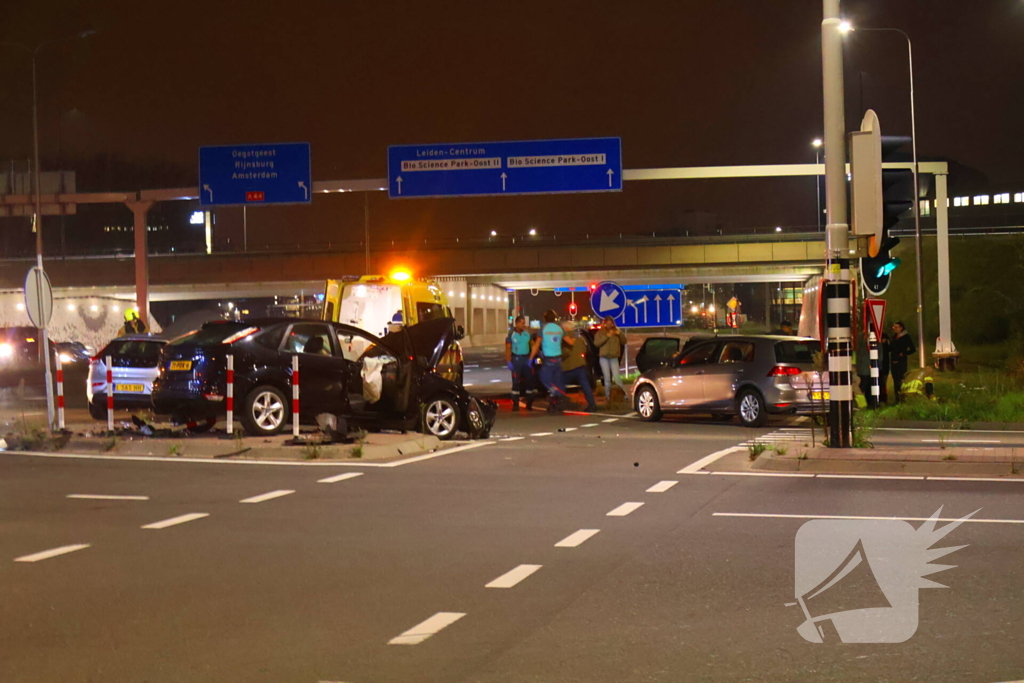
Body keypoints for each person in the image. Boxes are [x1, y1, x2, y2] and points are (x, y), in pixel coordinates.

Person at [530, 309, 567, 413]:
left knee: (545, 379)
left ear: (545, 319)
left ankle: (556, 393)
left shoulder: (543, 329)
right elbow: (569, 341)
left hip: (548, 360)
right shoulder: (560, 328)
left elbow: (537, 345)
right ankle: (555, 405)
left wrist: (530, 358)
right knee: (556, 381)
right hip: (558, 360)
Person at [560, 322, 598, 412]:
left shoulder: (563, 339)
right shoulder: (579, 337)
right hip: (581, 365)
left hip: (568, 367)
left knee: (559, 385)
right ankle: (592, 405)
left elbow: (563, 353)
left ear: (565, 328)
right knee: (585, 386)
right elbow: (584, 349)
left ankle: (559, 404)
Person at [505, 316, 536, 411]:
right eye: (522, 323)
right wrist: (509, 361)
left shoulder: (527, 334)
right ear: (517, 323)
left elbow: (533, 346)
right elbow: (508, 349)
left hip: (526, 359)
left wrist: (533, 357)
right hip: (516, 360)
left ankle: (529, 403)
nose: (524, 325)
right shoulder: (511, 335)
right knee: (516, 382)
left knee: (529, 382)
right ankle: (515, 403)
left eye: (524, 323)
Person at [594, 316, 627, 400]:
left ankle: (624, 395)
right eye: (607, 323)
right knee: (607, 378)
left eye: (610, 323)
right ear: (604, 323)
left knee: (617, 378)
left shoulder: (617, 332)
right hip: (604, 358)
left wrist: (619, 334)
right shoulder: (600, 332)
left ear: (613, 323)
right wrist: (607, 336)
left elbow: (624, 341)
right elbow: (596, 343)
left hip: (613, 357)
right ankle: (608, 397)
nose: (609, 325)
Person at [889, 321, 916, 403]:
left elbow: (912, 349)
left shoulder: (906, 337)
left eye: (896, 327)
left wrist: (903, 353)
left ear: (901, 328)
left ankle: (902, 398)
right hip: (893, 361)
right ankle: (897, 398)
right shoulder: (894, 337)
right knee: (895, 380)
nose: (895, 329)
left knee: (901, 379)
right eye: (894, 327)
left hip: (901, 362)